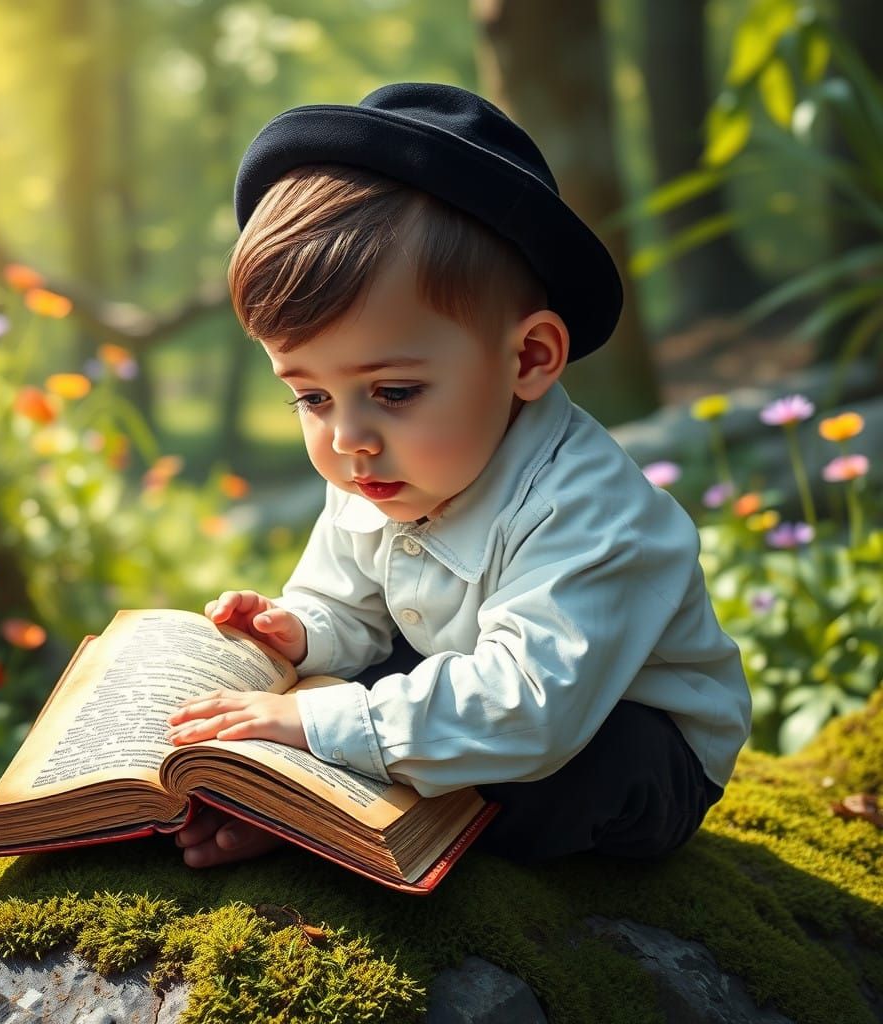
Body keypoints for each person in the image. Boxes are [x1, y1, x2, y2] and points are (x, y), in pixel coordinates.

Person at [165, 82, 752, 871]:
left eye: (394, 392)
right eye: (309, 395)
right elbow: (350, 605)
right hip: (474, 684)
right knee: (350, 681)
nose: (348, 439)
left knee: (553, 773)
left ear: (529, 358)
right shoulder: (378, 471)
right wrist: (299, 632)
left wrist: (314, 726)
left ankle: (331, 816)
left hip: (623, 737)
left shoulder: (592, 511)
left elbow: (532, 712)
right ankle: (305, 801)